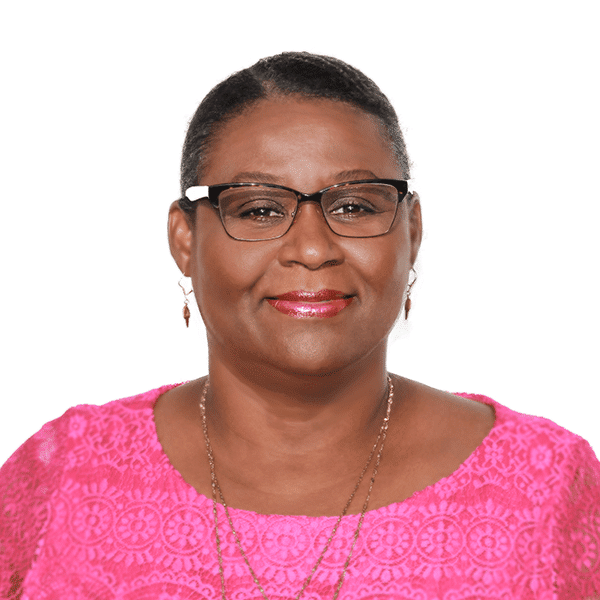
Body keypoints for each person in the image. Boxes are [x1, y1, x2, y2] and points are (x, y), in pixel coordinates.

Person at [1, 51, 598, 600]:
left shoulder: (547, 490)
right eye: (259, 209)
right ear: (186, 240)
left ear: (411, 232)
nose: (312, 249)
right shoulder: (64, 477)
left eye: (354, 206)